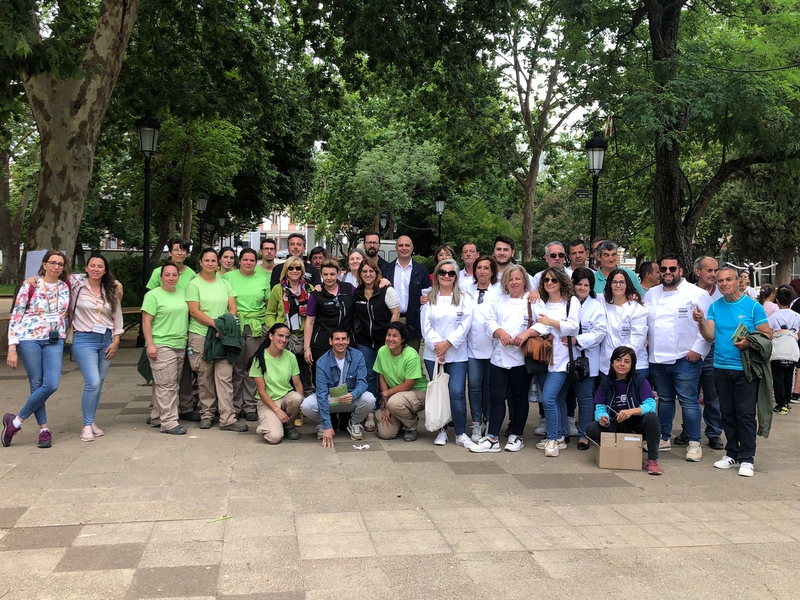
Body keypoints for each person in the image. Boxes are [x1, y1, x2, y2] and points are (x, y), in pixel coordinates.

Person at [695, 266, 772, 477]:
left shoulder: (752, 306)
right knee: (727, 413)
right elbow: (710, 336)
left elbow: (767, 334)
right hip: (720, 367)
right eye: (720, 281)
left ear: (738, 281)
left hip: (745, 369)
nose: (724, 284)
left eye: (728, 280)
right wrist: (701, 321)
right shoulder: (715, 307)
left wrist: (749, 342)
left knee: (745, 414)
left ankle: (747, 458)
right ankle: (732, 453)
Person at [644, 254, 711, 462]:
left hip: (685, 357)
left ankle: (694, 442)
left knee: (689, 401)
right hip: (658, 358)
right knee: (664, 399)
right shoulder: (651, 294)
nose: (667, 273)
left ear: (681, 270)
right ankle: (663, 437)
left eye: (672, 269)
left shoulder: (697, 293)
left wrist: (697, 350)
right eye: (663, 269)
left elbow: (707, 325)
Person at [4, 251, 71, 449]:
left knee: (51, 384)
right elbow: (16, 315)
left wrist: (117, 285)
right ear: (44, 264)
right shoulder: (30, 285)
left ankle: (15, 422)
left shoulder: (65, 287)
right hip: (29, 338)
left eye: (60, 264)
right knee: (37, 383)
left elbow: (93, 276)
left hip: (54, 339)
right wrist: (12, 347)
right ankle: (44, 429)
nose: (56, 267)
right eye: (52, 263)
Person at [470, 265, 536, 454]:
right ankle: (492, 438)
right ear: (506, 282)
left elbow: (542, 323)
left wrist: (525, 335)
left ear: (524, 280)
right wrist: (501, 333)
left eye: (518, 279)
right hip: (499, 357)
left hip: (522, 358)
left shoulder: (533, 299)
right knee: (496, 397)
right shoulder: (499, 300)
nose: (514, 282)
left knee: (519, 398)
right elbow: (489, 321)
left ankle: (517, 436)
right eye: (511, 279)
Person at [186, 248, 246, 432]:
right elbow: (194, 311)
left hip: (223, 337)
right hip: (201, 335)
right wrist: (216, 326)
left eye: (213, 260)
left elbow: (233, 307)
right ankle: (207, 414)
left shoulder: (224, 283)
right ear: (200, 262)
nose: (210, 264)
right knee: (204, 377)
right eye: (207, 260)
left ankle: (227, 418)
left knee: (225, 377)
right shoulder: (193, 284)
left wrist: (224, 328)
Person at [70, 253, 124, 442]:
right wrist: (34, 277)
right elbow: (55, 275)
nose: (95, 269)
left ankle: (91, 421)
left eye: (100, 266)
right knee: (92, 382)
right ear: (86, 268)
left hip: (106, 339)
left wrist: (116, 340)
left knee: (99, 383)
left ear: (105, 270)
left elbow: (117, 314)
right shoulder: (76, 287)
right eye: (92, 266)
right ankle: (86, 425)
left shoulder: (110, 289)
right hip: (84, 339)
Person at [421, 258, 474, 448]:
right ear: (436, 275)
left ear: (456, 276)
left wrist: (448, 344)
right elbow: (425, 326)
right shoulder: (428, 297)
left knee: (457, 392)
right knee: (439, 393)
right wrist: (438, 346)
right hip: (433, 353)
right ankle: (442, 431)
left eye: (451, 273)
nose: (446, 276)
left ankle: (460, 433)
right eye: (442, 272)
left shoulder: (465, 297)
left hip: (457, 353)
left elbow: (465, 324)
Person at [585, 346, 662, 475]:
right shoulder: (605, 383)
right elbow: (600, 408)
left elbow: (651, 405)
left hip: (636, 423)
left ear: (632, 365)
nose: (622, 364)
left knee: (652, 418)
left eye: (627, 361)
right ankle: (613, 449)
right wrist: (602, 418)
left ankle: (652, 460)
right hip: (615, 423)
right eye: (618, 360)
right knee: (591, 428)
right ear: (612, 362)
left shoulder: (640, 380)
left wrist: (631, 411)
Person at [145, 237, 197, 422]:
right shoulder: (157, 277)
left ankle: (180, 409)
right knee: (164, 378)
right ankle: (162, 415)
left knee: (180, 377)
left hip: (182, 333)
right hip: (161, 334)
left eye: (183, 249)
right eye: (176, 249)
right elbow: (150, 306)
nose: (180, 252)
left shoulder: (191, 275)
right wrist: (150, 342)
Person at [530, 268, 581, 457]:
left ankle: (552, 438)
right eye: (546, 280)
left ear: (562, 282)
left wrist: (551, 322)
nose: (549, 283)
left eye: (553, 280)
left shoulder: (571, 302)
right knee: (558, 398)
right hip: (546, 358)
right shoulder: (541, 302)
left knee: (549, 398)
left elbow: (573, 327)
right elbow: (540, 327)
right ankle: (560, 436)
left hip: (565, 360)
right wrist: (552, 325)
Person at [301, 329, 375, 446]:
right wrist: (327, 425)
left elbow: (362, 382)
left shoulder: (358, 356)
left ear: (348, 340)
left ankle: (354, 423)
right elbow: (321, 394)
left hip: (350, 397)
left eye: (343, 339)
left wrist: (353, 395)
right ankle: (323, 424)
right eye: (337, 339)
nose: (340, 342)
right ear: (331, 341)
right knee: (306, 405)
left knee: (370, 399)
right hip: (331, 399)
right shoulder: (322, 362)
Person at [141, 261, 189, 435]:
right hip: (161, 344)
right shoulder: (153, 296)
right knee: (167, 385)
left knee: (166, 383)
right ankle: (169, 422)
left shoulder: (183, 294)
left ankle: (157, 416)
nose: (171, 278)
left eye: (174, 275)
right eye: (167, 275)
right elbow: (146, 321)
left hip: (179, 344)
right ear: (160, 277)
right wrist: (150, 344)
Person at [352, 258, 400, 428]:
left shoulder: (386, 290)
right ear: (360, 274)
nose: (367, 274)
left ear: (376, 273)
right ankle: (370, 412)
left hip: (384, 341)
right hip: (365, 341)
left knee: (385, 375)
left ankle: (387, 408)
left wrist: (391, 337)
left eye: (371, 271)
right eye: (364, 271)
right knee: (369, 375)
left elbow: (395, 313)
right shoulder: (357, 293)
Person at [224, 248, 270, 421]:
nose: (249, 263)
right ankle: (235, 405)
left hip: (256, 327)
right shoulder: (229, 277)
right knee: (236, 368)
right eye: (245, 260)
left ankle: (250, 406)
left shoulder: (262, 279)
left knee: (252, 367)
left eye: (252, 260)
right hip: (236, 325)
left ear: (256, 262)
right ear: (240, 261)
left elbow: (268, 303)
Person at [685, 256, 724, 450]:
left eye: (715, 270)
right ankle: (688, 430)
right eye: (709, 270)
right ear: (697, 271)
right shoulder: (686, 292)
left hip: (714, 350)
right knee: (689, 393)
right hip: (690, 348)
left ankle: (714, 432)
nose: (713, 275)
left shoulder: (722, 295)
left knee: (713, 394)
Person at [568, 268, 608, 451]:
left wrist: (578, 341)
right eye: (579, 284)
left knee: (585, 399)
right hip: (563, 358)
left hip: (586, 360)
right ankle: (562, 431)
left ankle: (584, 435)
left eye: (586, 285)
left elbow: (599, 333)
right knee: (562, 397)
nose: (582, 288)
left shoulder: (596, 306)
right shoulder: (565, 302)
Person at [248, 323, 304, 443]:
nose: (284, 340)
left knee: (297, 397)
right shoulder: (259, 358)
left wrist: (301, 409)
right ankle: (267, 425)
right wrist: (277, 410)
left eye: (287, 337)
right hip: (268, 401)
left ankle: (288, 426)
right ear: (271, 336)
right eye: (280, 336)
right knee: (274, 438)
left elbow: (298, 384)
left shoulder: (290, 357)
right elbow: (261, 391)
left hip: (285, 399)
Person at [266, 257, 314, 394]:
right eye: (291, 268)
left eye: (298, 268)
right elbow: (269, 313)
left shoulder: (309, 289)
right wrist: (277, 331)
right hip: (285, 338)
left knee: (305, 374)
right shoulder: (278, 289)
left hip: (304, 337)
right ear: (286, 271)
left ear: (302, 271)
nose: (294, 271)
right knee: (286, 374)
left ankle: (304, 407)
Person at [465, 255, 500, 441]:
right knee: (474, 386)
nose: (482, 271)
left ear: (492, 271)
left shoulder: (499, 291)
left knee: (490, 387)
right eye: (479, 268)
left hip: (493, 348)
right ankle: (477, 423)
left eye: (486, 268)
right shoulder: (466, 289)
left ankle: (489, 421)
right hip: (472, 347)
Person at [375, 322, 428, 441]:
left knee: (394, 404)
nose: (390, 339)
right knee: (385, 434)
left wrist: (387, 396)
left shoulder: (411, 355)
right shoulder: (382, 351)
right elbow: (382, 376)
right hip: (395, 395)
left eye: (395, 336)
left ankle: (411, 426)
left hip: (417, 392)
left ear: (403, 339)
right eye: (388, 335)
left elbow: (408, 385)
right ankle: (402, 417)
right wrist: (385, 397)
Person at [304, 259, 355, 371]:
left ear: (339, 273)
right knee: (322, 375)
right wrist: (306, 348)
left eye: (332, 274)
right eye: (325, 274)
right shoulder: (316, 294)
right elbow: (309, 322)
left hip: (345, 341)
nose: (329, 278)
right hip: (322, 342)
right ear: (321, 275)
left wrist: (382, 282)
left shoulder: (349, 288)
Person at [381, 236, 430, 351]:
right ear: (396, 248)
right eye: (400, 245)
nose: (404, 248)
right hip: (392, 319)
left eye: (407, 245)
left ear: (412, 248)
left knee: (411, 357)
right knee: (392, 357)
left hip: (413, 321)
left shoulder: (422, 271)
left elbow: (428, 297)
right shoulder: (385, 270)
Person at [600, 269, 649, 377]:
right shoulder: (601, 303)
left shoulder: (638, 310)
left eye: (622, 282)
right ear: (609, 284)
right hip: (607, 366)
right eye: (614, 282)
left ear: (627, 284)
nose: (618, 285)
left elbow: (637, 340)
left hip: (634, 366)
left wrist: (622, 362)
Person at [767, 287, 800, 414]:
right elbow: (799, 334)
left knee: (778, 378)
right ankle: (787, 400)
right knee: (788, 376)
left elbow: (769, 334)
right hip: (792, 349)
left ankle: (781, 404)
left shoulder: (773, 317)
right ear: (791, 301)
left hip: (778, 351)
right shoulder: (797, 316)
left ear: (777, 300)